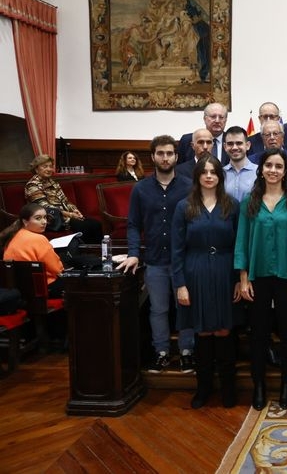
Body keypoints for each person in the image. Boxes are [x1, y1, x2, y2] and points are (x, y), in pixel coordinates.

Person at [234, 148, 287, 410]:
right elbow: (241, 240)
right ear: (261, 169)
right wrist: (243, 279)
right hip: (258, 277)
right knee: (259, 335)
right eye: (269, 165)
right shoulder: (250, 201)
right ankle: (259, 386)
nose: (273, 170)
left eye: (279, 166)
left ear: (285, 171)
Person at [118, 135, 194, 373]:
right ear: (152, 157)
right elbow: (133, 224)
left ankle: (186, 353)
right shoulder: (140, 189)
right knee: (158, 309)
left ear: (176, 156)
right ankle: (161, 352)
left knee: (186, 307)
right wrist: (133, 253)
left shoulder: (188, 186)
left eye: (169, 153)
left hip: (183, 261)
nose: (165, 157)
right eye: (160, 153)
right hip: (154, 260)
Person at [171, 154, 239, 409]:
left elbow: (238, 245)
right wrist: (180, 284)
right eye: (205, 172)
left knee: (223, 329)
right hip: (195, 271)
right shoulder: (184, 207)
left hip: (224, 270)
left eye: (214, 172)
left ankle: (228, 389)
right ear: (197, 176)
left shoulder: (231, 205)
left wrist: (237, 280)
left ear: (220, 176)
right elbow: (176, 249)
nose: (209, 176)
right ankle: (203, 389)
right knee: (202, 330)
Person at [24, 154, 103, 244]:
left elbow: (65, 201)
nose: (49, 169)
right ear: (36, 168)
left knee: (96, 224)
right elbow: (44, 207)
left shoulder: (53, 183)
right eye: (45, 166)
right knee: (85, 226)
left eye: (50, 166)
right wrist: (69, 214)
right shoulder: (33, 185)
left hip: (66, 216)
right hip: (50, 218)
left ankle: (98, 253)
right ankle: (84, 253)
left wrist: (75, 210)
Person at [1, 203, 64, 294]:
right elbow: (57, 269)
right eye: (38, 218)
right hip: (41, 288)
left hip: (19, 289)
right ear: (25, 221)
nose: (44, 222)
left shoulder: (13, 235)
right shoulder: (38, 239)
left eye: (45, 217)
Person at [222, 126, 258, 202]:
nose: (234, 147)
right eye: (230, 144)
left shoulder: (259, 172)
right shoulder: (220, 173)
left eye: (239, 143)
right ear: (225, 147)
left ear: (247, 145)